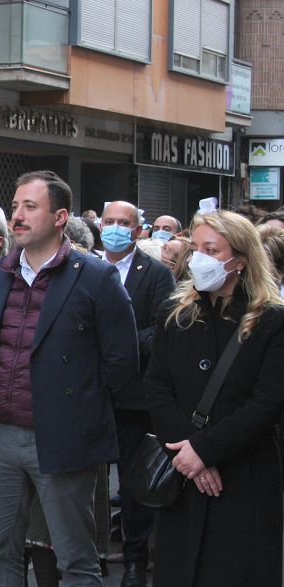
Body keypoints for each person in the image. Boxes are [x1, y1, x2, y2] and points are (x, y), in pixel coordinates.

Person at [0, 171, 138, 586]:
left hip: (63, 436)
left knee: (76, 558)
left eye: (30, 207)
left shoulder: (95, 276)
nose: (18, 216)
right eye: (14, 207)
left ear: (61, 216)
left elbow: (122, 362)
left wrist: (86, 420)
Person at [146, 209, 284, 586]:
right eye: (196, 248)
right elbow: (157, 387)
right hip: (184, 473)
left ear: (239, 261)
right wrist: (188, 452)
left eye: (212, 249)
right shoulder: (175, 313)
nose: (199, 258)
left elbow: (267, 403)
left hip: (243, 476)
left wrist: (206, 450)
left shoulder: (271, 320)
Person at [98, 201, 176, 587]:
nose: (114, 228)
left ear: (138, 229)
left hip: (132, 396)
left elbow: (162, 329)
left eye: (123, 223)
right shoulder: (87, 268)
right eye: (109, 221)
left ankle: (133, 559)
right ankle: (90, 551)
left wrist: (116, 345)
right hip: (88, 394)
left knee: (132, 484)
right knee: (87, 479)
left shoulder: (157, 274)